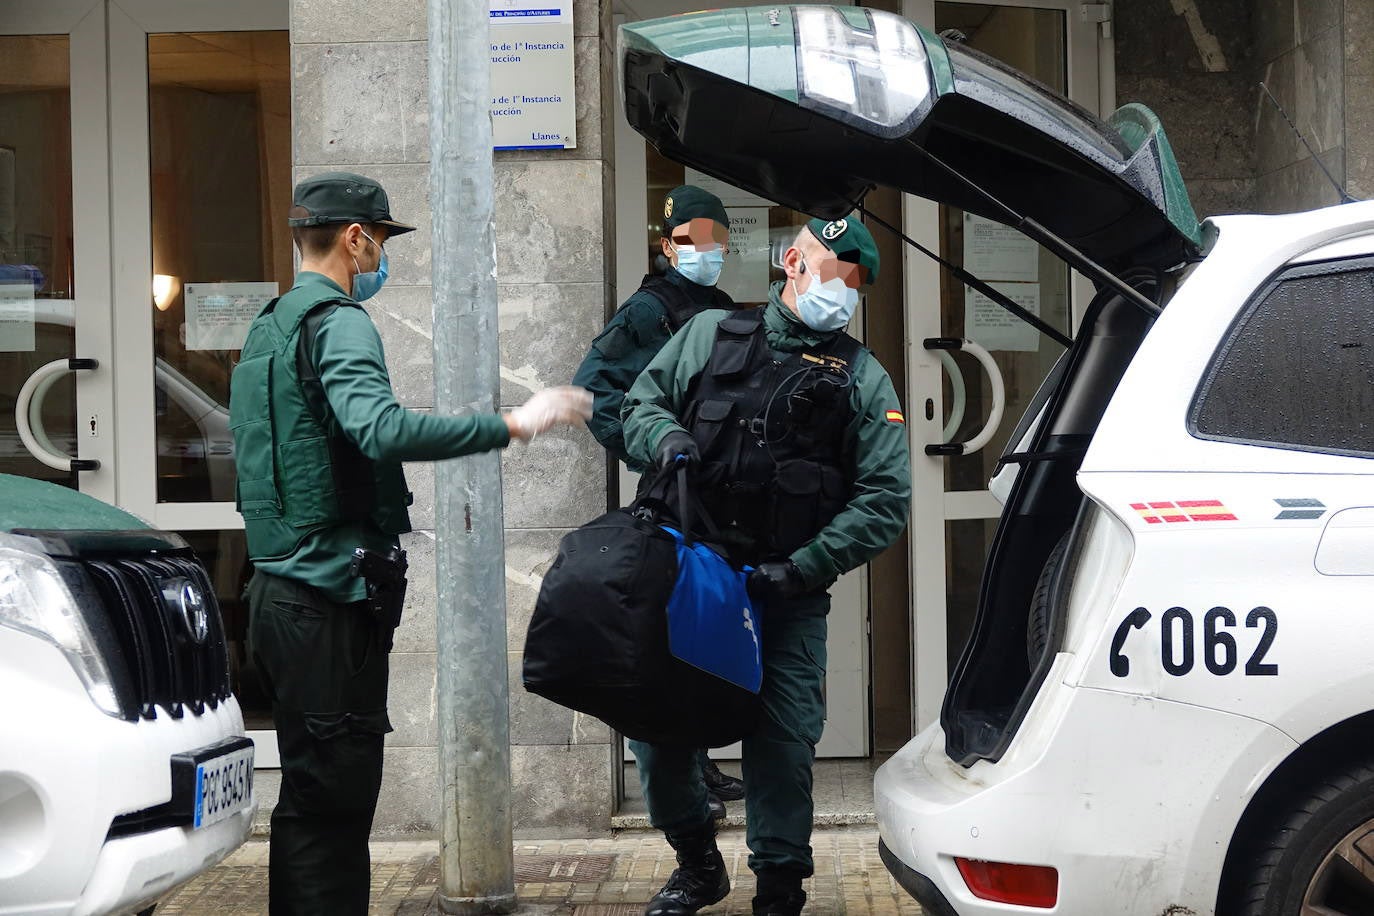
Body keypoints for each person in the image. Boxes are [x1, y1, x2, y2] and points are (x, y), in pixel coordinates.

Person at [229, 171, 590, 915]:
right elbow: (380, 428)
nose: (383, 258)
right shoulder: (338, 322)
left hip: (278, 597)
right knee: (333, 808)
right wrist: (514, 424)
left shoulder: (271, 325)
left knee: (309, 805)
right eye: (383, 240)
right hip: (326, 602)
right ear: (356, 239)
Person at [621, 216, 911, 916]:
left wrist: (806, 567)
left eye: (854, 281)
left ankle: (779, 889)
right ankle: (696, 862)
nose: (839, 290)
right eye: (830, 269)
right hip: (691, 578)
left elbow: (885, 499)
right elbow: (641, 405)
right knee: (659, 731)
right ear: (791, 261)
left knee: (781, 743)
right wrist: (665, 440)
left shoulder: (862, 378)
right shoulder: (709, 335)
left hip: (786, 590)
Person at [572, 184, 746, 814]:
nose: (704, 251)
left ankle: (702, 766)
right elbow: (594, 390)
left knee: (704, 631)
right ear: (668, 245)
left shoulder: (722, 306)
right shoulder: (650, 309)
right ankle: (686, 784)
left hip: (714, 493)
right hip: (674, 490)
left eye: (714, 240)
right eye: (689, 240)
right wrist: (651, 449)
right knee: (673, 634)